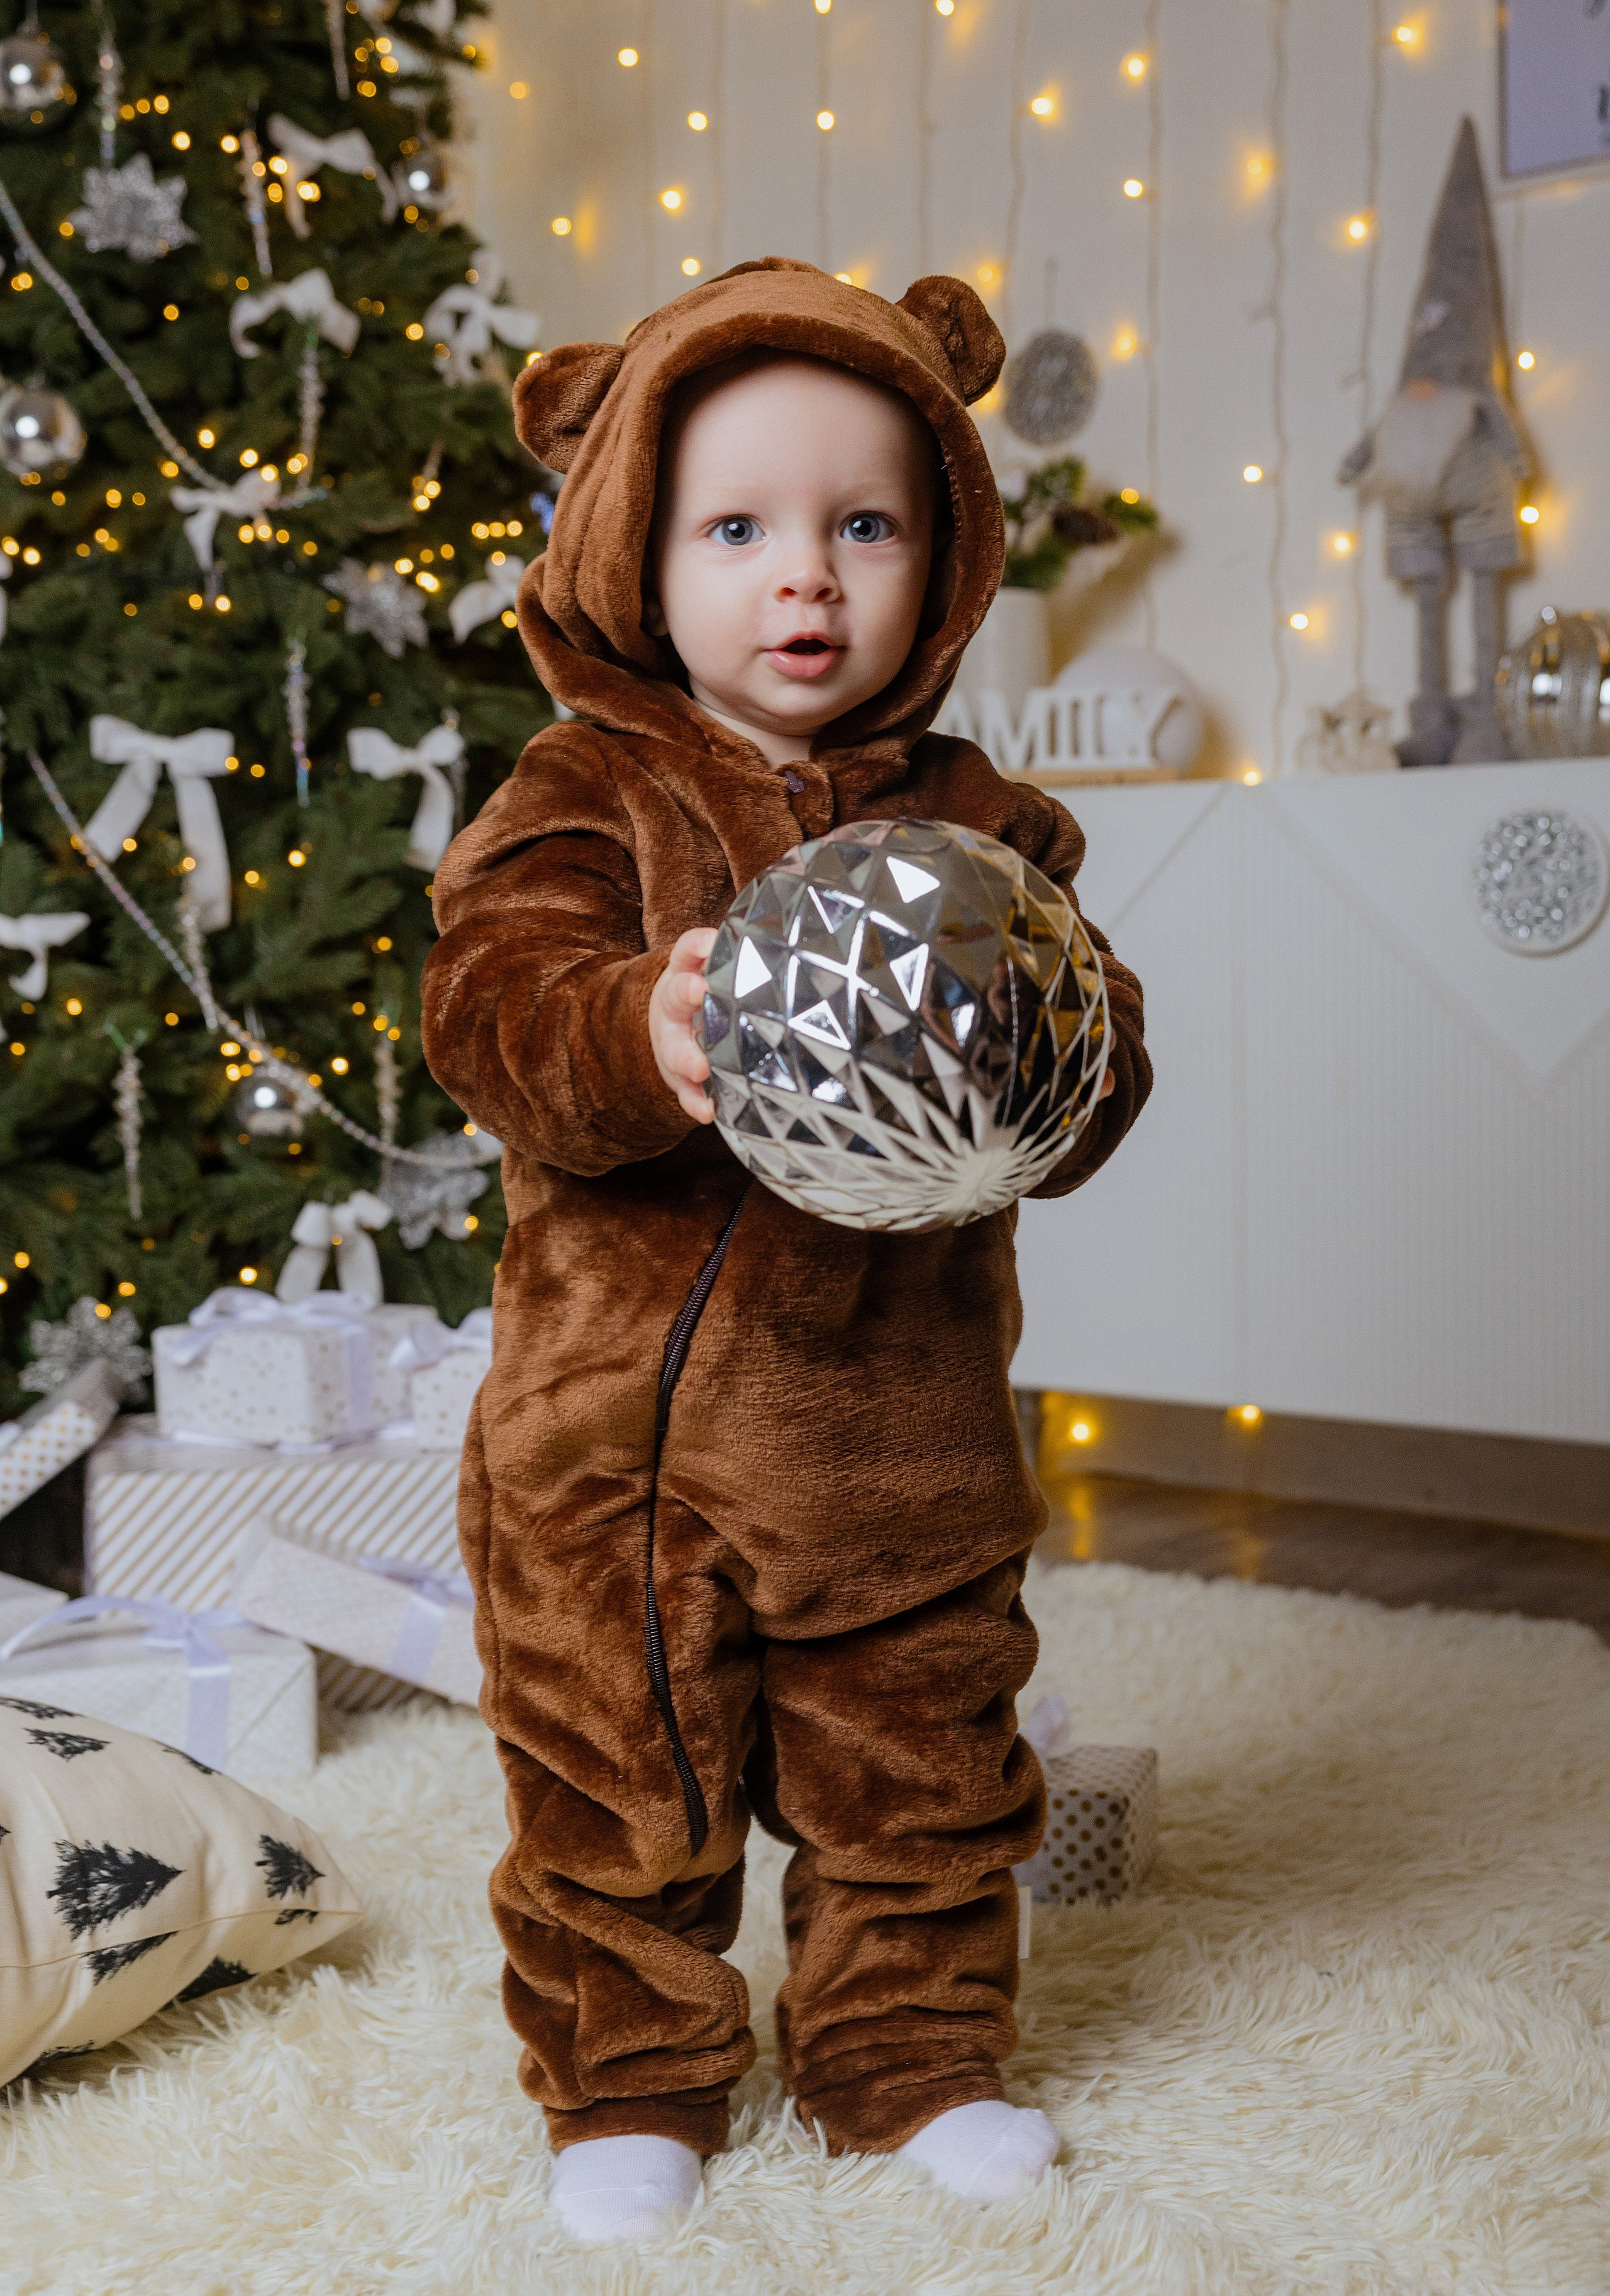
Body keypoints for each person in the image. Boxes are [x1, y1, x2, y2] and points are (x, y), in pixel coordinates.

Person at [421, 258, 1152, 2247]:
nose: (804, 577)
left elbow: (1098, 1053)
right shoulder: (586, 790)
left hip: (897, 1434)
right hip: (618, 1462)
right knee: (612, 1778)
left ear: (945, 557)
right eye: (736, 528)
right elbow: (485, 1010)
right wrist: (625, 1030)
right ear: (634, 554)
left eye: (865, 525)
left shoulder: (987, 824)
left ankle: (907, 2056)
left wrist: (1066, 1067)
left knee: (920, 1765)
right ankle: (633, 2074)